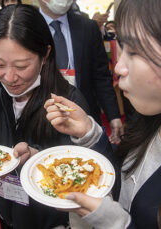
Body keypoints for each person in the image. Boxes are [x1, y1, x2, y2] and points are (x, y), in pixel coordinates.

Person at [42, 0, 161, 228]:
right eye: (122, 48)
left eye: (134, 52)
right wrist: (89, 133)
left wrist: (118, 224)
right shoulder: (150, 119)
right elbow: (123, 178)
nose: (119, 68)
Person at [0, 4, 110, 229]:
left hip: (51, 220)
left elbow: (87, 172)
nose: (9, 77)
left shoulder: (68, 102)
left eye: (21, 65)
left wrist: (36, 158)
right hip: (6, 209)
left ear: (45, 55)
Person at [37, 0, 123, 145]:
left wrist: (113, 116)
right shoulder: (28, 27)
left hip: (86, 117)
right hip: (41, 120)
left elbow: (101, 76)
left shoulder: (88, 27)